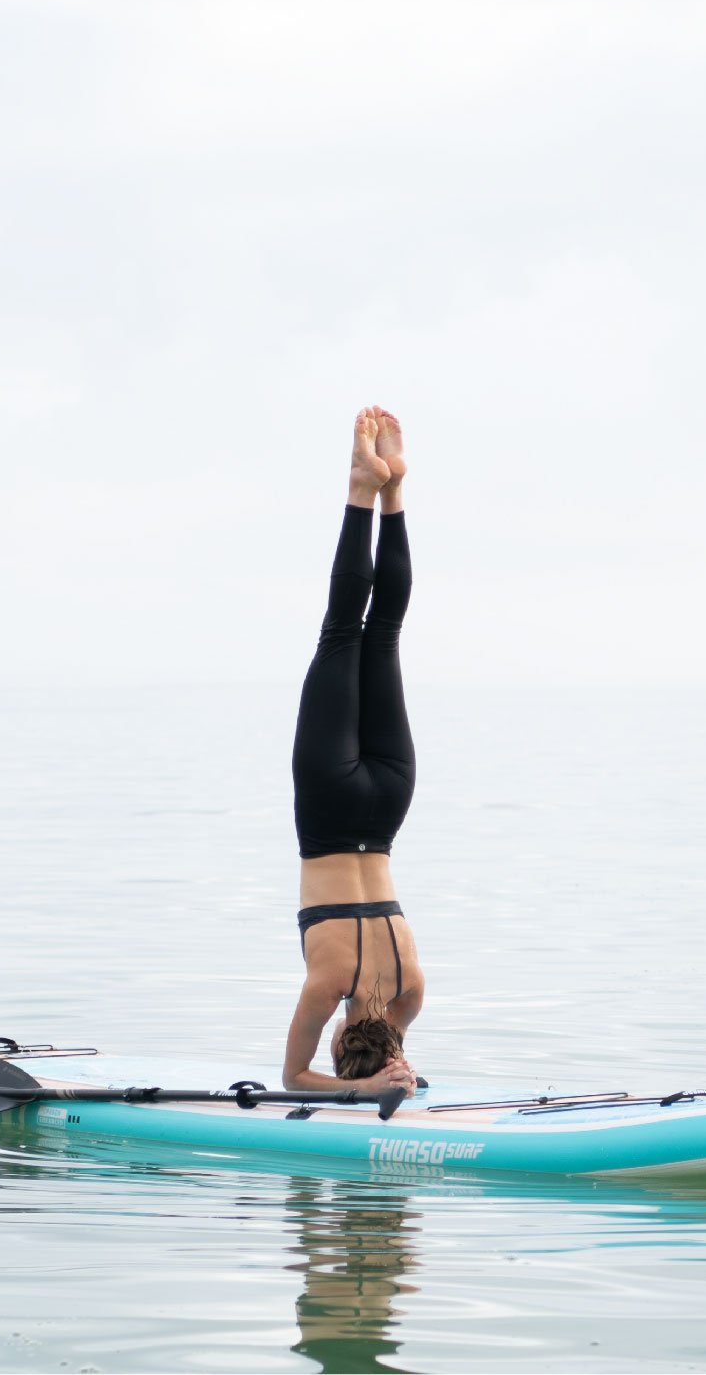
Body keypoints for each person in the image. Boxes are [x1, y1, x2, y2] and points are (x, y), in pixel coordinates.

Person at [283, 406, 423, 1099]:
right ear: (340, 1045)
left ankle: (393, 492)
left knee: (385, 631)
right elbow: (293, 1078)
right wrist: (363, 1092)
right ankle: (360, 490)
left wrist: (395, 1074)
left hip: (388, 803)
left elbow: (392, 1036)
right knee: (343, 631)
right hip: (332, 809)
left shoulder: (410, 989)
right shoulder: (327, 984)